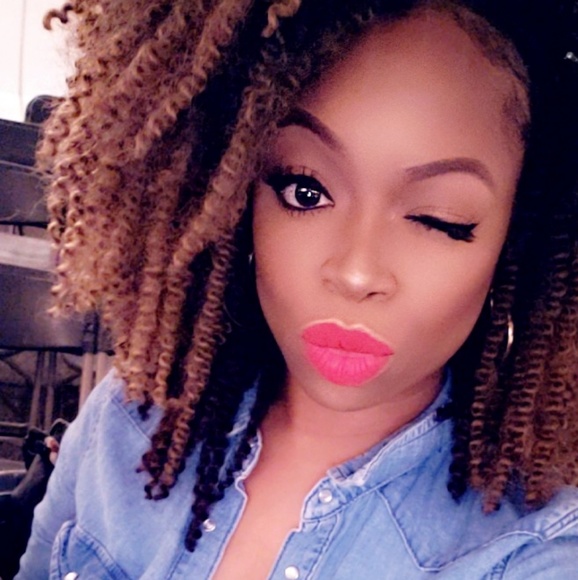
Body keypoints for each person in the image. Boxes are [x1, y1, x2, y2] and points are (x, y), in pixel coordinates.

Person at [16, 0, 578, 577]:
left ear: (517, 243)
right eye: (305, 192)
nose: (356, 272)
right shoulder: (126, 420)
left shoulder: (533, 553)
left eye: (437, 219)